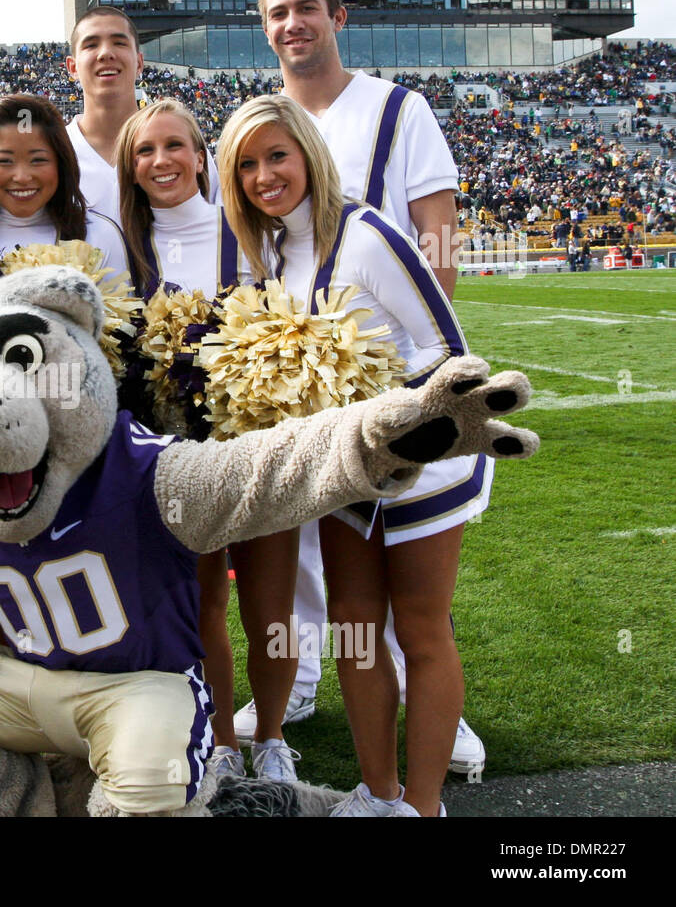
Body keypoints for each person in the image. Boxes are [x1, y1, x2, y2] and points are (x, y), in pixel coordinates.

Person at [250, 0, 486, 777]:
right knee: (334, 567)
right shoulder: (266, 124)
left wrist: (430, 346)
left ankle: (434, 732)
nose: (292, 25)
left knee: (409, 586)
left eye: (307, 10)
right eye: (278, 14)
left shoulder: (397, 107)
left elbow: (437, 228)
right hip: (318, 394)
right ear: (265, 26)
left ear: (338, 18)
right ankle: (312, 688)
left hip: (397, 373)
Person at [218, 94, 474, 816]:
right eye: (247, 165)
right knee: (355, 632)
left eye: (277, 155)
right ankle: (378, 793)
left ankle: (423, 806)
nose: (266, 175)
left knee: (421, 632)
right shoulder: (271, 251)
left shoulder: (367, 232)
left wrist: (400, 428)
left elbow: (444, 346)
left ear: (307, 153)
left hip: (424, 462)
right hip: (344, 471)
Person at [115, 98, 247, 776]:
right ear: (130, 166)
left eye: (174, 146)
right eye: (145, 150)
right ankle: (156, 737)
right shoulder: (118, 243)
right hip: (139, 455)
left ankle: (230, 744)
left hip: (221, 451)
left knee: (212, 600)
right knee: (148, 601)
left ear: (201, 155)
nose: (161, 160)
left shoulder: (242, 232)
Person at [0, 94, 128, 279]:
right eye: (5, 161)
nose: (22, 177)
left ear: (62, 164)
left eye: (38, 160)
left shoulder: (100, 236)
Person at [65, 6, 220, 226]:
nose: (106, 53)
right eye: (91, 45)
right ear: (72, 67)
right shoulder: (56, 152)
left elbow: (217, 231)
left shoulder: (184, 146)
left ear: (139, 62)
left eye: (119, 43)